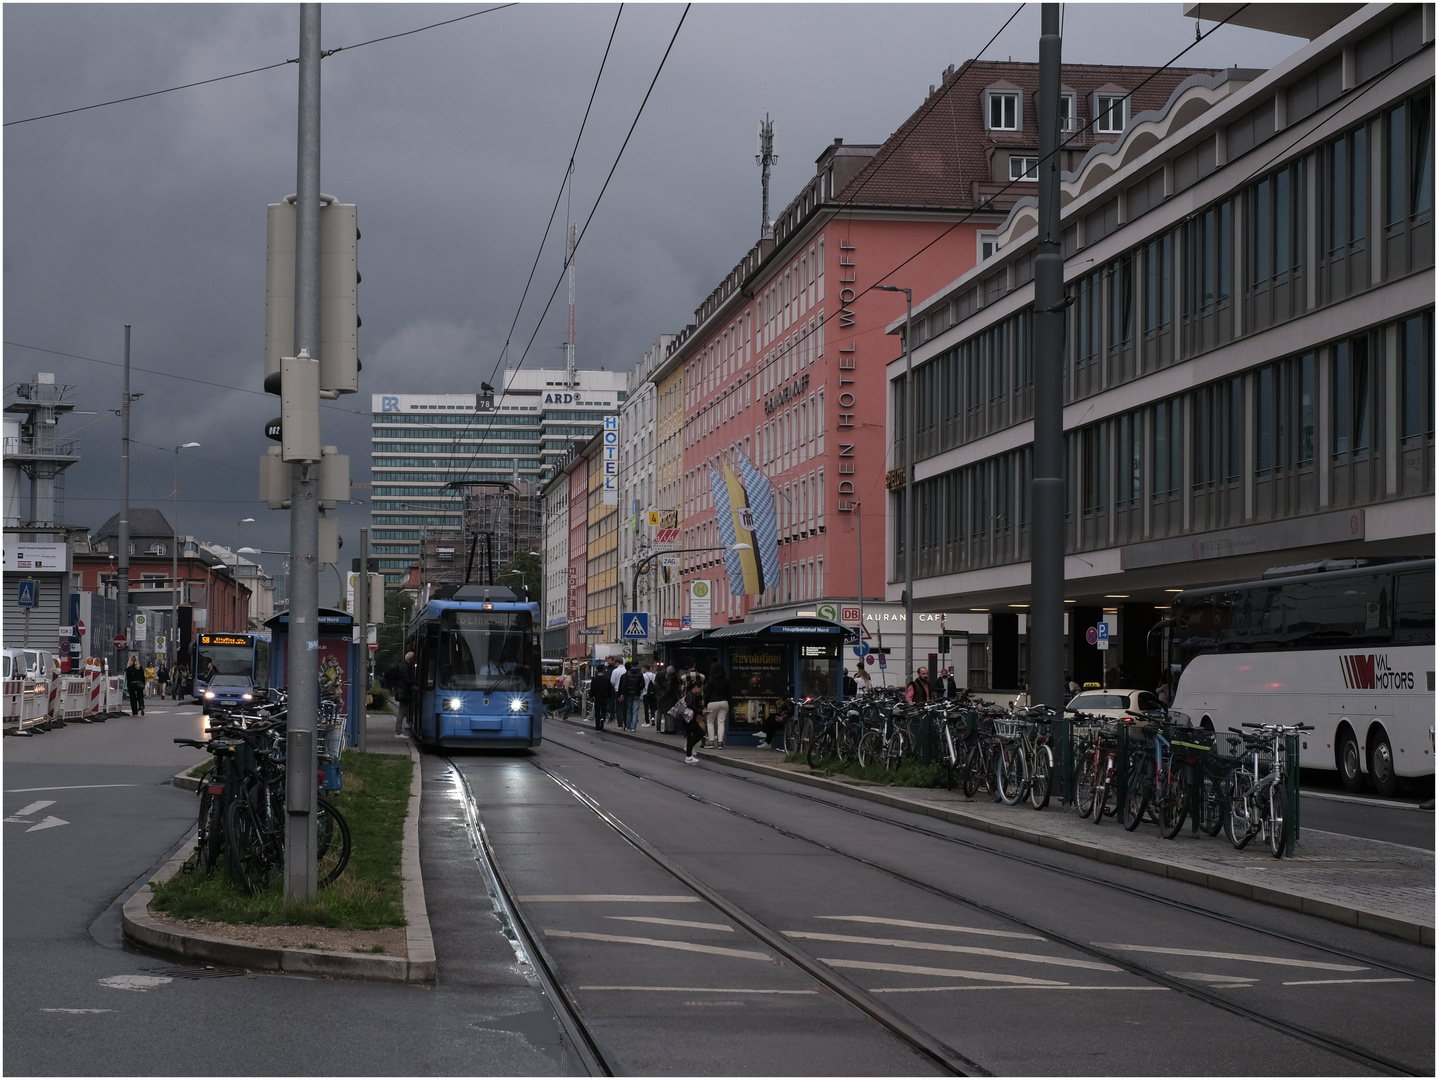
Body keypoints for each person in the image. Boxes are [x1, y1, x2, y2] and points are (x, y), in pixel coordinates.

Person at [387, 652, 416, 736]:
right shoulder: (405, 667)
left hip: (402, 691)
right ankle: (398, 732)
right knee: (402, 711)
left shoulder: (403, 666)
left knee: (402, 711)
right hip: (403, 692)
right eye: (413, 659)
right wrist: (414, 683)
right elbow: (407, 679)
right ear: (411, 659)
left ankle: (398, 731)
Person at [704, 661, 730, 749]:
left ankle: (711, 741)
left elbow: (707, 693)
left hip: (712, 702)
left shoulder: (711, 679)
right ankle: (720, 743)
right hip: (724, 702)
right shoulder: (725, 679)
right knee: (721, 723)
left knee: (710, 722)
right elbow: (728, 692)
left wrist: (705, 704)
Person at [682, 677, 707, 763]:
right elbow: (690, 705)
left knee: (692, 736)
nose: (700, 690)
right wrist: (700, 711)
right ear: (696, 687)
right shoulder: (691, 694)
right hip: (689, 718)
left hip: (688, 718)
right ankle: (689, 753)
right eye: (700, 688)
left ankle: (689, 753)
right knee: (699, 733)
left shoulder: (690, 694)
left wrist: (700, 711)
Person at [619, 660, 646, 731]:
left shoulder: (627, 673)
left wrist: (623, 693)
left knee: (629, 710)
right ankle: (633, 727)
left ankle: (628, 726)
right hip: (636, 693)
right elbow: (643, 684)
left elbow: (624, 684)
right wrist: (639, 688)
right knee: (635, 710)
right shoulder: (640, 673)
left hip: (628, 694)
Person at [656, 664, 681, 732]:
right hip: (670, 698)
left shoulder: (671, 679)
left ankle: (669, 729)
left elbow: (668, 689)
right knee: (667, 713)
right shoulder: (673, 678)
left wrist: (663, 696)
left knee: (668, 714)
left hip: (669, 699)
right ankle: (667, 728)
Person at [589, 662, 613, 730]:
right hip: (604, 697)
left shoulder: (594, 679)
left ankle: (597, 726)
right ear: (603, 670)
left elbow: (592, 689)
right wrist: (609, 696)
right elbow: (610, 689)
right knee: (603, 709)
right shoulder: (607, 679)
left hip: (597, 697)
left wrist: (591, 695)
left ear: (597, 670)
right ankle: (602, 719)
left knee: (597, 711)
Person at [641, 662, 657, 727]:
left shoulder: (643, 676)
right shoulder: (654, 675)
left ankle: (647, 722)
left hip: (645, 693)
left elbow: (642, 684)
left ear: (645, 668)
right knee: (652, 706)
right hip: (653, 693)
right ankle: (653, 717)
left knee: (646, 707)